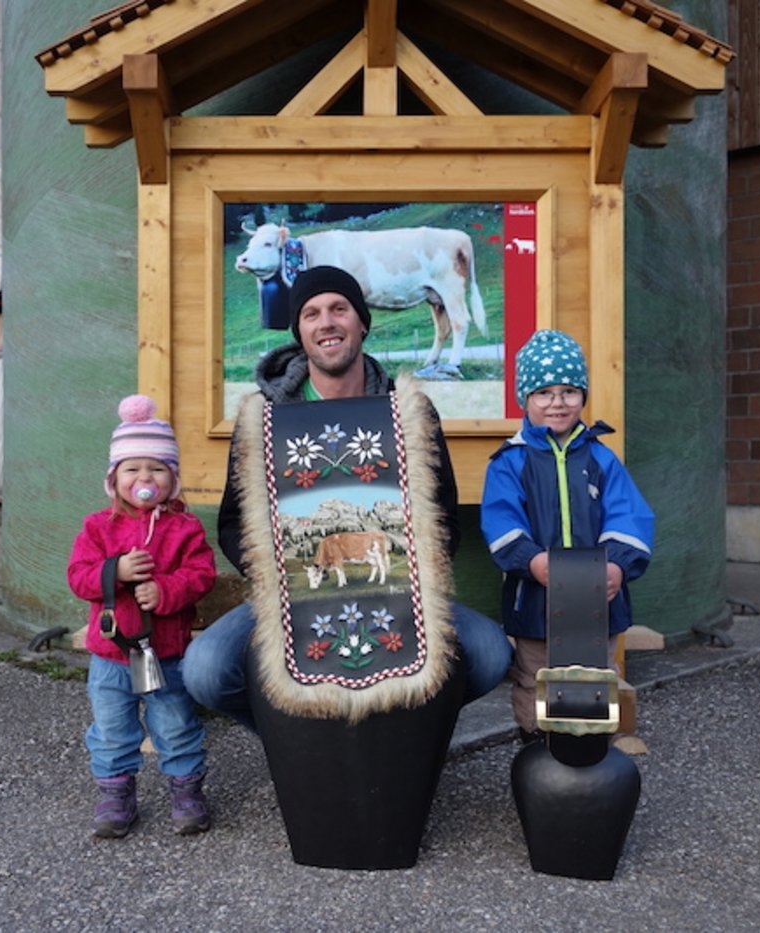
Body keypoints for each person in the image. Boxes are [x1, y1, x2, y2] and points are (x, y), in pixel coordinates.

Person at [182, 265, 512, 728]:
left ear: (361, 322)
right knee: (206, 670)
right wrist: (284, 578)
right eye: (312, 313)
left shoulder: (408, 411)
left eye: (340, 309)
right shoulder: (263, 419)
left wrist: (410, 578)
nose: (327, 322)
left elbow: (444, 517)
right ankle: (298, 742)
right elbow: (234, 524)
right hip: (292, 594)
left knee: (490, 654)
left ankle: (399, 739)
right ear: (299, 330)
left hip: (400, 592)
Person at [479, 330, 655, 743]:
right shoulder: (510, 461)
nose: (557, 402)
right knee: (535, 676)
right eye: (543, 392)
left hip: (599, 602)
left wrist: (616, 566)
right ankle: (537, 749)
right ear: (525, 398)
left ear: (583, 395)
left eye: (569, 391)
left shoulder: (601, 458)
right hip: (536, 602)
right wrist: (532, 560)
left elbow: (629, 516)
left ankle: (594, 751)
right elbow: (501, 521)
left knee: (598, 674)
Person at [67, 395, 218, 838]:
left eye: (157, 468)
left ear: (172, 478)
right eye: (132, 469)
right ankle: (116, 795)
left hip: (165, 654)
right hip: (111, 657)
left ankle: (186, 791)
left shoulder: (185, 528)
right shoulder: (98, 527)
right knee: (112, 730)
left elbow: (201, 574)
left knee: (175, 725)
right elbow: (78, 577)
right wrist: (115, 571)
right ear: (115, 478)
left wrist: (166, 590)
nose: (144, 477)